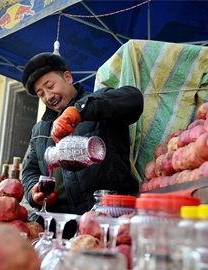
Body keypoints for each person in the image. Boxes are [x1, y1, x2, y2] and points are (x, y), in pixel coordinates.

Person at [20, 52, 143, 231]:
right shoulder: (40, 130)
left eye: (50, 86)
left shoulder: (99, 104)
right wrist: (34, 192)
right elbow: (30, 170)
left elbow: (134, 99)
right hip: (57, 227)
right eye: (41, 94)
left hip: (105, 221)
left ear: (68, 77)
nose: (48, 96)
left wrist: (79, 110)